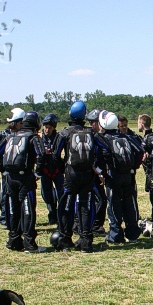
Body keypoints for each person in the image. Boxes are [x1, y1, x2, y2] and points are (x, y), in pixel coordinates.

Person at [55, 101, 100, 253]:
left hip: (71, 174)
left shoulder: (65, 132)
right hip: (87, 174)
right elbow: (102, 148)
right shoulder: (91, 132)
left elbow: (55, 154)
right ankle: (86, 240)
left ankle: (65, 238)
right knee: (85, 206)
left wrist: (64, 167)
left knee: (67, 206)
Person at [96, 110, 142, 244]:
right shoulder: (125, 137)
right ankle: (133, 233)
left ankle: (115, 235)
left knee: (114, 206)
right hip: (128, 176)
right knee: (129, 203)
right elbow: (139, 150)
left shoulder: (102, 139)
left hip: (112, 176)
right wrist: (133, 167)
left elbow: (99, 157)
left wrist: (103, 173)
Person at [2, 110, 44, 252]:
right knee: (28, 210)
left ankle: (13, 241)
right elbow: (42, 154)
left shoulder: (11, 136)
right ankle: (29, 244)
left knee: (13, 210)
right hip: (25, 179)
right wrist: (38, 173)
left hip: (9, 178)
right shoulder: (33, 137)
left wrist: (1, 168)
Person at [85, 108, 108, 236]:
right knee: (100, 200)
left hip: (95, 173)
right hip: (92, 175)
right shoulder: (91, 137)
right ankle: (95, 226)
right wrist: (99, 172)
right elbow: (90, 159)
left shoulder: (95, 136)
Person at [39, 113, 65, 225]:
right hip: (45, 171)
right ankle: (52, 215)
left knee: (61, 194)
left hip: (57, 170)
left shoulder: (59, 137)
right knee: (47, 196)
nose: (47, 129)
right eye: (45, 127)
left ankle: (62, 216)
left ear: (54, 128)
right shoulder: (38, 138)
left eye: (49, 127)